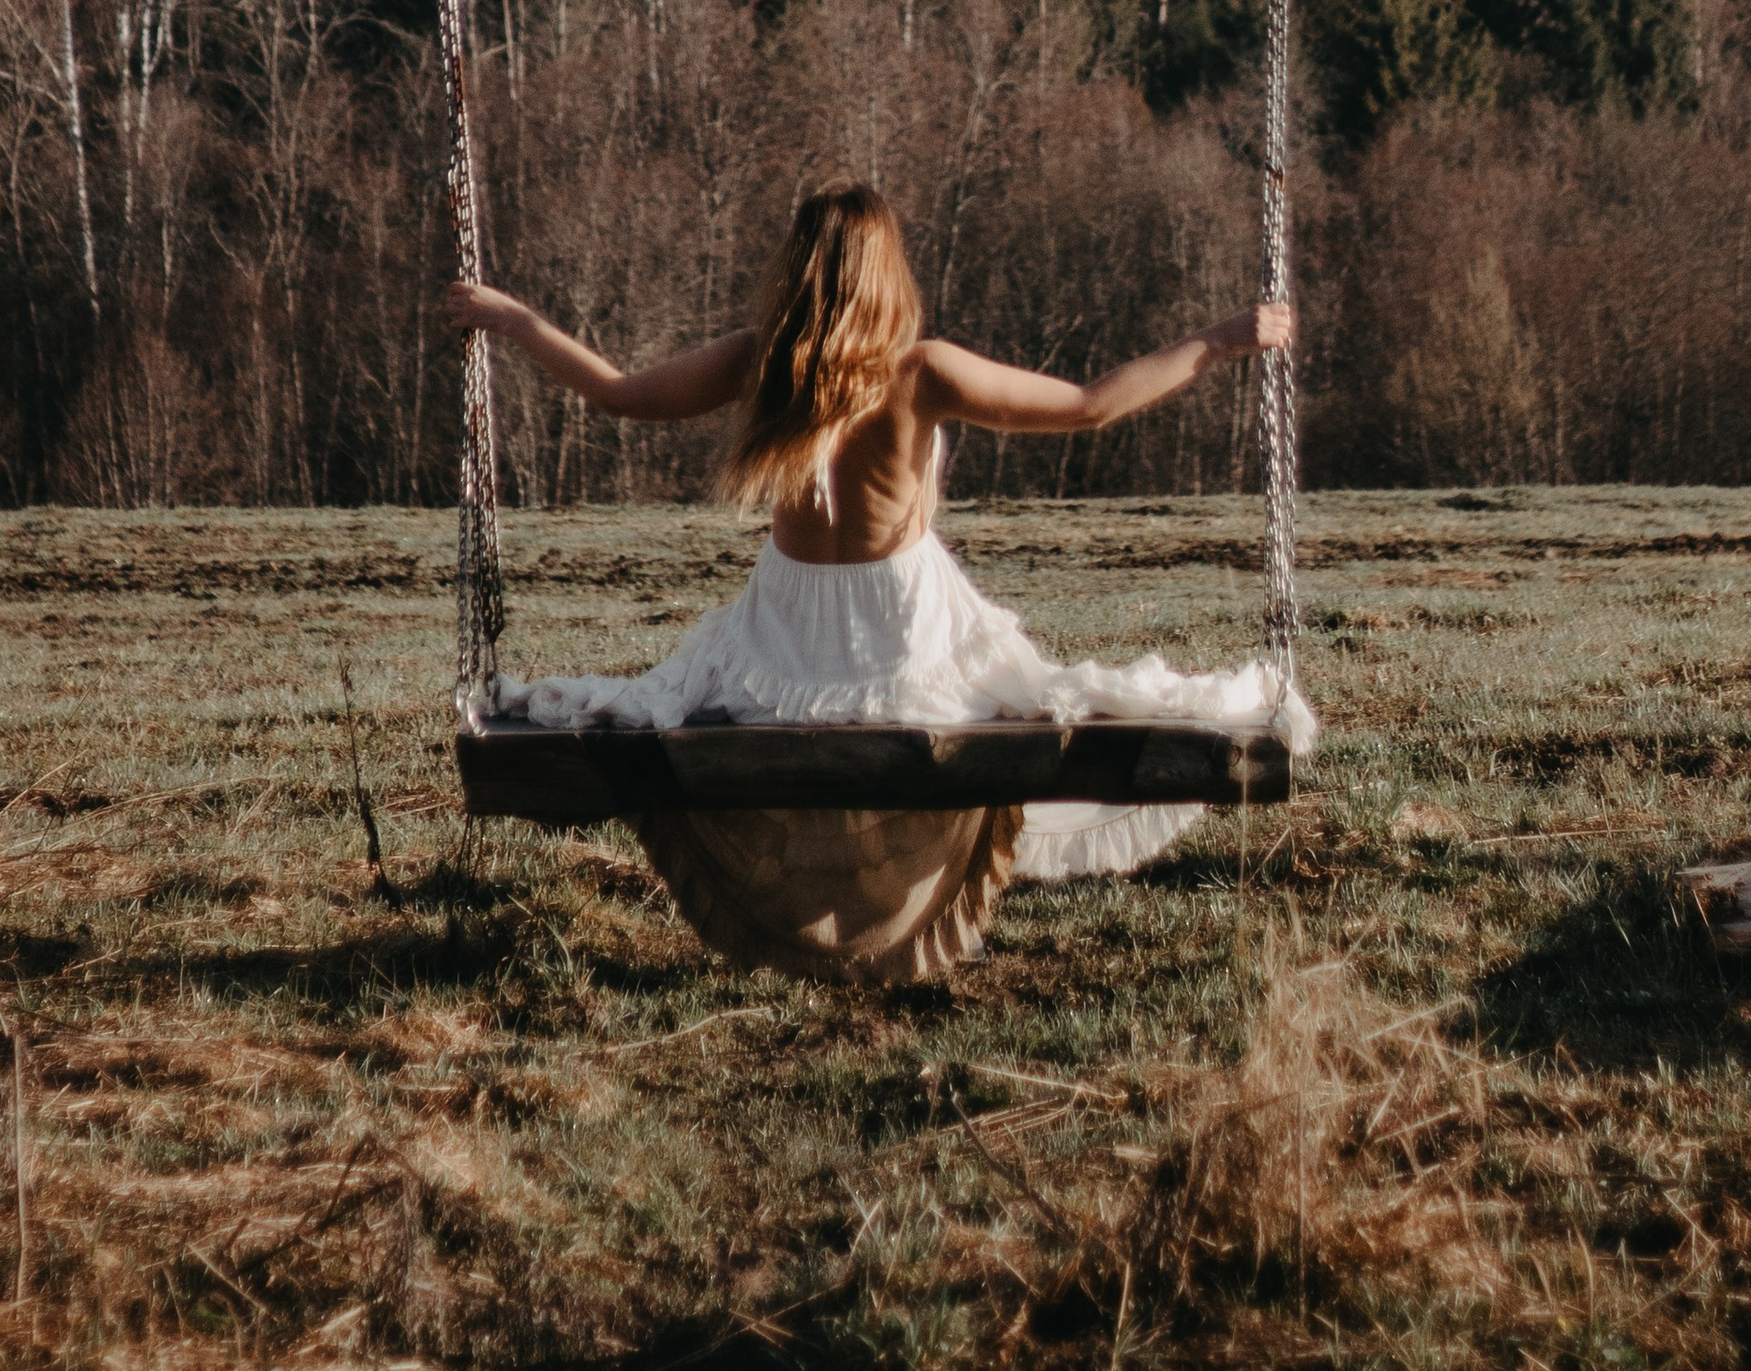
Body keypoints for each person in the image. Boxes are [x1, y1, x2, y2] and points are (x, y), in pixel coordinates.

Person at [448, 179, 1315, 883]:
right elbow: (1089, 406)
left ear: (796, 272)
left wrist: (514, 318)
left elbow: (621, 393)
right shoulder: (921, 372)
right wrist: (1219, 341)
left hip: (778, 659)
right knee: (1062, 698)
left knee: (653, 703)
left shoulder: (765, 361)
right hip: (903, 652)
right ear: (887, 273)